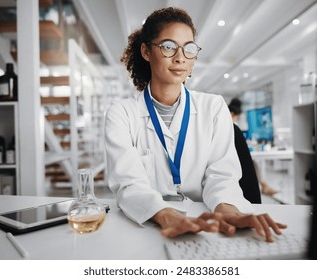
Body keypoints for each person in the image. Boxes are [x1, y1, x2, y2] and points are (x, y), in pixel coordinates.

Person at [104, 7, 286, 241]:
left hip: (208, 226)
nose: (180, 57)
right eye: (168, 46)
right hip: (149, 226)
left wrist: (229, 211)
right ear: (146, 51)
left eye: (188, 48)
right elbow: (128, 184)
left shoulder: (213, 107)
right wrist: (168, 216)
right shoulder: (122, 113)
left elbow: (221, 176)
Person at [228, 98, 279, 196]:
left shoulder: (228, 124)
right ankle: (264, 186)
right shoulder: (229, 125)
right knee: (251, 163)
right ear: (233, 114)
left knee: (253, 163)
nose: (236, 119)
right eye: (237, 117)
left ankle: (264, 185)